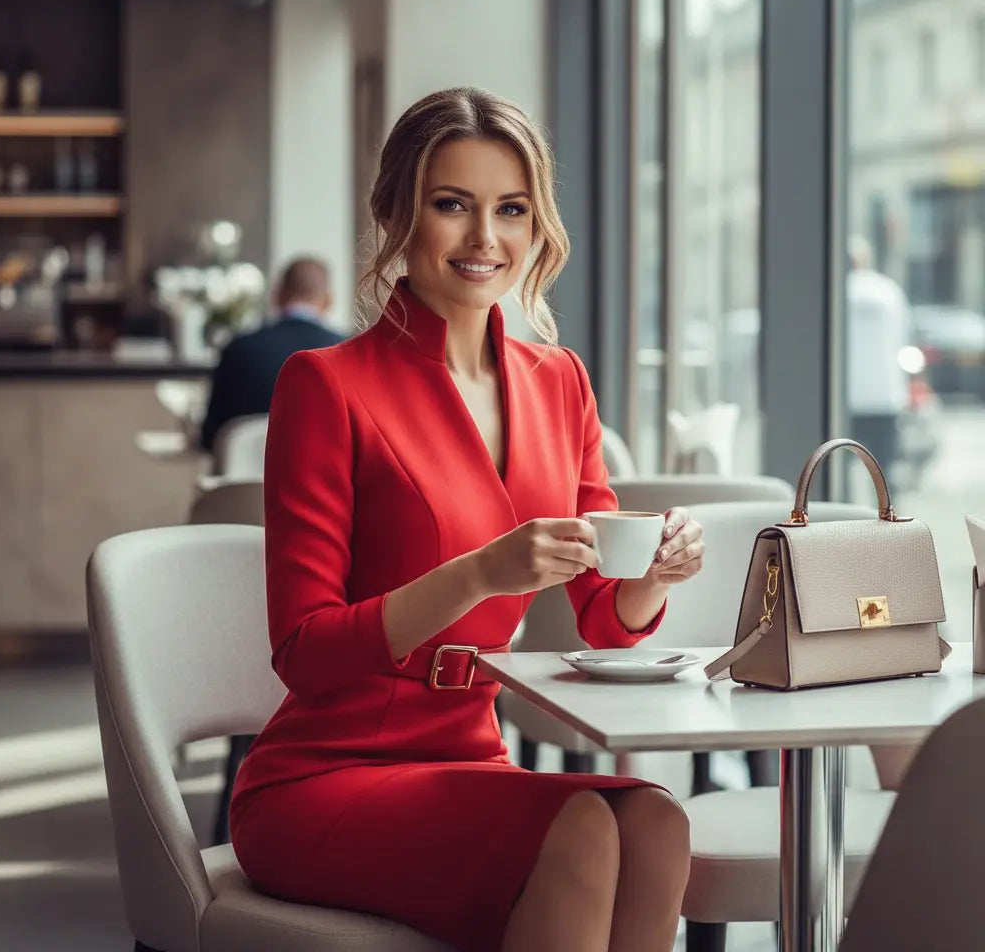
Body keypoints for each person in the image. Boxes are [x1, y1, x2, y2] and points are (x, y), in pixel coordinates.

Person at [230, 87, 704, 952]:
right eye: (453, 205)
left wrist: (654, 572)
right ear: (397, 216)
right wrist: (481, 574)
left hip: (468, 754)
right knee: (587, 830)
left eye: (511, 210)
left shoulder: (559, 382)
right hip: (327, 773)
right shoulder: (325, 384)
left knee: (659, 823)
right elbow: (302, 648)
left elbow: (608, 620)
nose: (487, 239)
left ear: (536, 225)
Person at [198, 256, 345, 451]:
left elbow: (209, 435)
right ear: (328, 299)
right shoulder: (345, 350)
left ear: (277, 294)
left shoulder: (239, 348)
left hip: (242, 479)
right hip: (320, 477)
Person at [846, 235, 912, 479]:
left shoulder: (833, 291)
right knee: (884, 472)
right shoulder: (888, 291)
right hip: (884, 396)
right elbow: (903, 339)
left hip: (846, 398)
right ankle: (888, 514)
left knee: (838, 465)